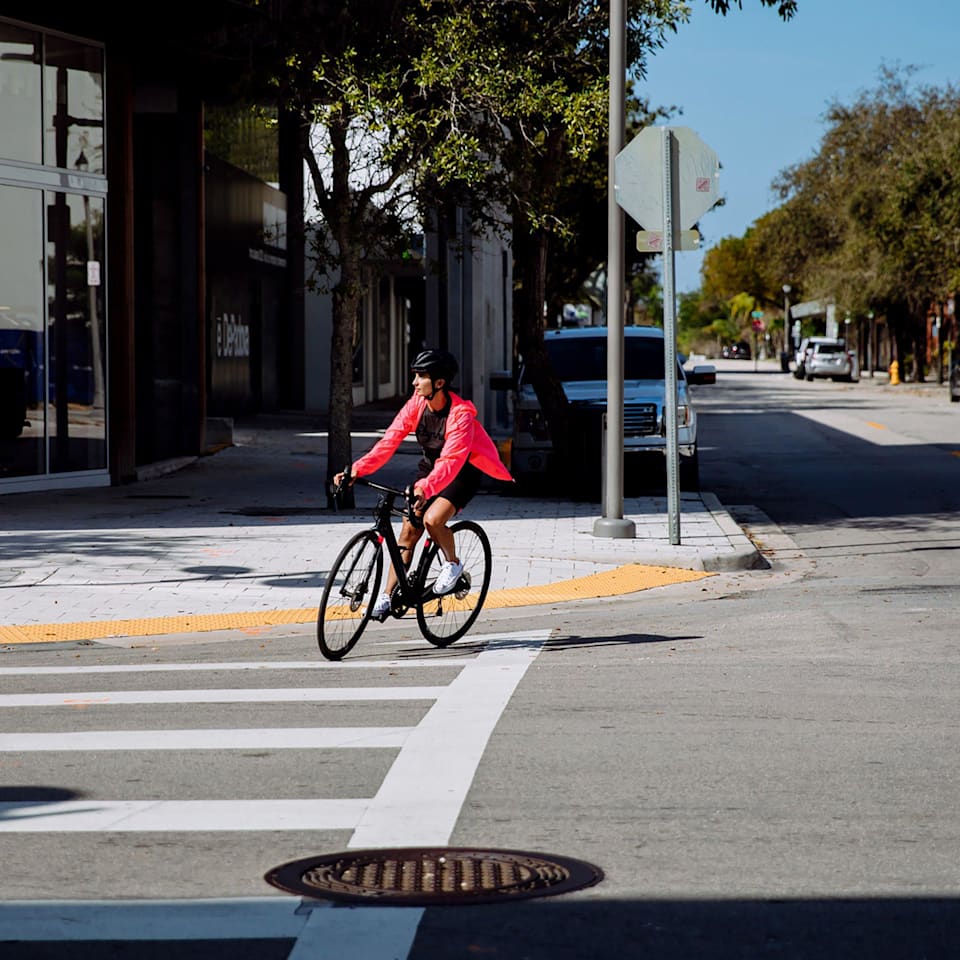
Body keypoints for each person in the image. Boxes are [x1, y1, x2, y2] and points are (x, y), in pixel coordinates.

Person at [334, 348, 513, 619]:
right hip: (430, 469)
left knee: (432, 519)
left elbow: (452, 459)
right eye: (415, 376)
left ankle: (452, 565)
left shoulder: (461, 414)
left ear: (439, 382)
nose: (415, 382)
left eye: (421, 377)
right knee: (408, 531)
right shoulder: (416, 406)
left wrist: (426, 489)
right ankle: (386, 596)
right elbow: (389, 442)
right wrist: (357, 470)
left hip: (463, 471)